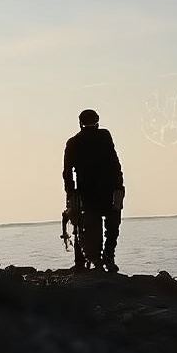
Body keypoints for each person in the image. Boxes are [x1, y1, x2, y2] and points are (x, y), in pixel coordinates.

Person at [62, 109, 125, 273]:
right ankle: (105, 259)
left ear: (80, 123)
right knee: (110, 227)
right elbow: (115, 163)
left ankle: (92, 262)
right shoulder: (104, 136)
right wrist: (119, 186)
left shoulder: (74, 142)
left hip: (89, 192)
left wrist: (70, 193)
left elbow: (67, 172)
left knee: (87, 229)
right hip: (106, 189)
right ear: (97, 122)